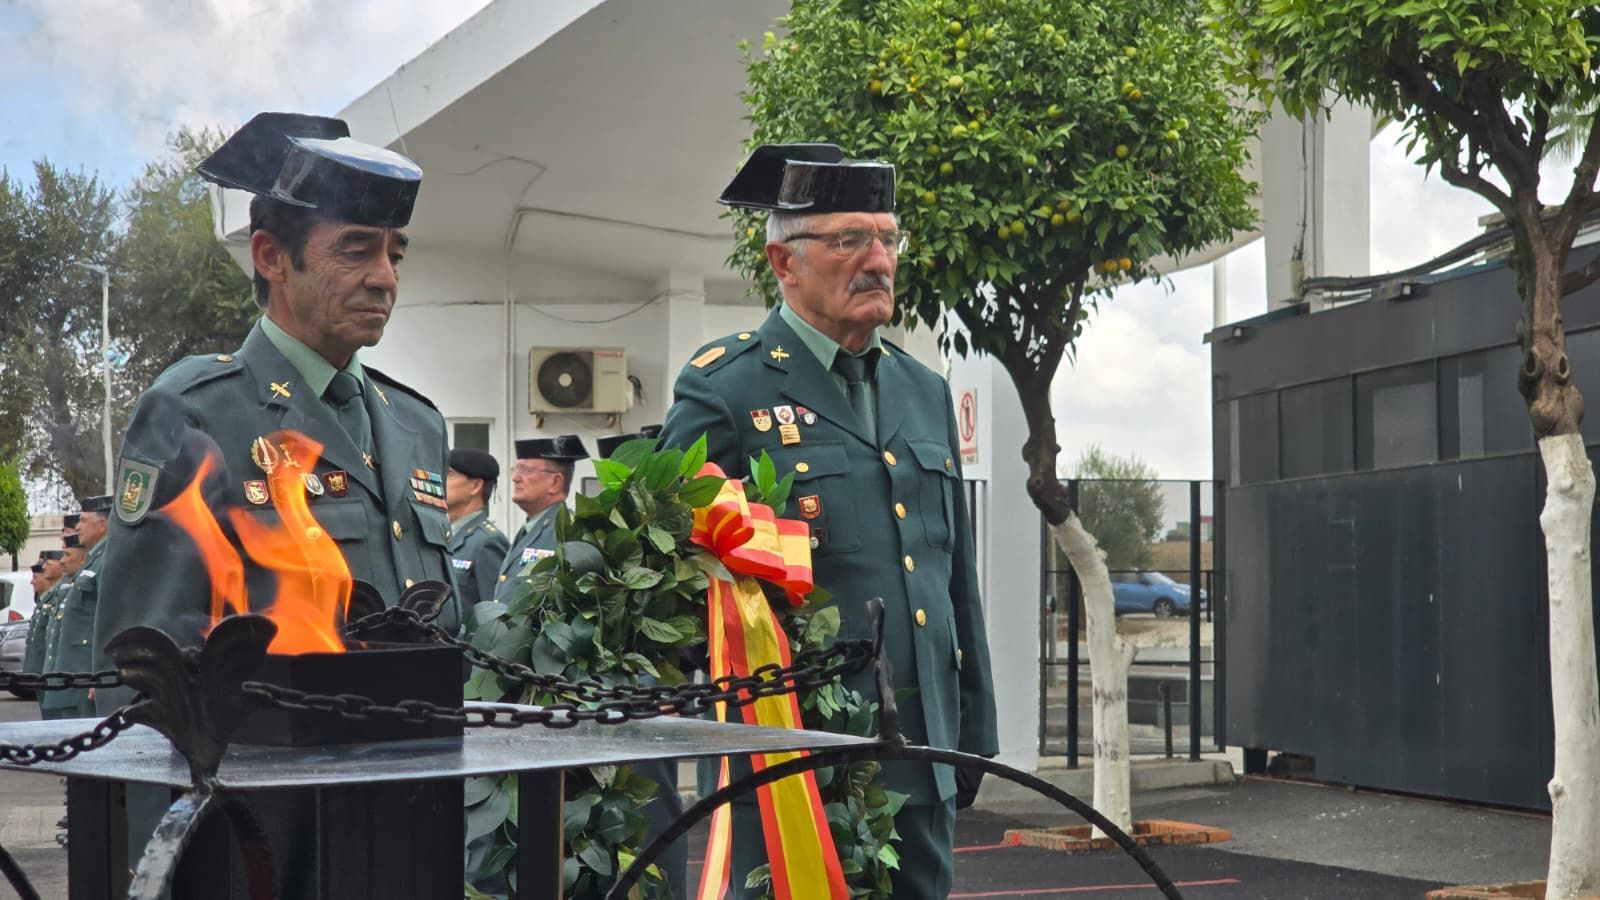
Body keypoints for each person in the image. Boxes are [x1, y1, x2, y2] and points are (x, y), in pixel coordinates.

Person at [91, 112, 454, 873]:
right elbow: (142, 668)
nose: (385, 276)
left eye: (394, 253)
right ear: (271, 257)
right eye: (354, 249)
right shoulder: (201, 410)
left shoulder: (417, 425)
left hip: (409, 823)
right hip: (263, 840)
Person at [656, 143, 998, 898]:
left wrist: (975, 731)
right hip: (796, 761)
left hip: (921, 754)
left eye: (887, 238)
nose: (878, 259)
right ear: (785, 261)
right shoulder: (727, 387)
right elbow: (675, 578)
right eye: (849, 240)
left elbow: (952, 577)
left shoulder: (923, 389)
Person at [492, 435, 588, 605]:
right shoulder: (530, 527)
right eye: (516, 469)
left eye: (526, 470)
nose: (515, 478)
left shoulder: (569, 529)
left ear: (555, 482)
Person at [42, 495, 112, 719]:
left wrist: (100, 672)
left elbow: (108, 619)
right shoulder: (94, 560)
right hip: (74, 676)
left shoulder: (108, 560)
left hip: (86, 677)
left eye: (83, 520)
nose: (78, 527)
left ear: (102, 525)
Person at [445, 447, 508, 633]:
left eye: (449, 474)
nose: (440, 482)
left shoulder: (487, 542)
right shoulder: (443, 536)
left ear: (475, 486)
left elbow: (493, 616)